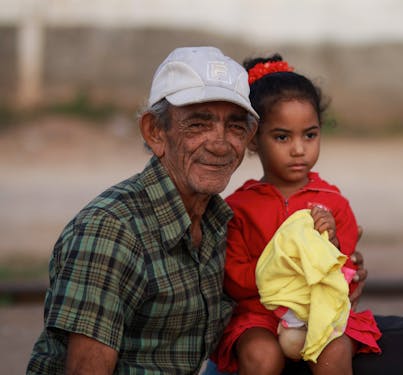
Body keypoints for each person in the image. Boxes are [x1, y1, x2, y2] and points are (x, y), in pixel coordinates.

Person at [26, 46, 261, 374]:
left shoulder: (215, 222)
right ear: (155, 132)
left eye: (235, 127)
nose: (220, 144)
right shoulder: (111, 231)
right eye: (198, 124)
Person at [209, 54, 381, 375]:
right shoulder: (238, 207)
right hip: (259, 313)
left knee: (334, 349)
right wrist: (282, 272)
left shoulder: (333, 202)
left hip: (321, 311)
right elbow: (233, 277)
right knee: (261, 354)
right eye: (282, 137)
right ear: (253, 139)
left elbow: (345, 271)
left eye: (310, 135)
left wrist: (330, 241)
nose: (299, 149)